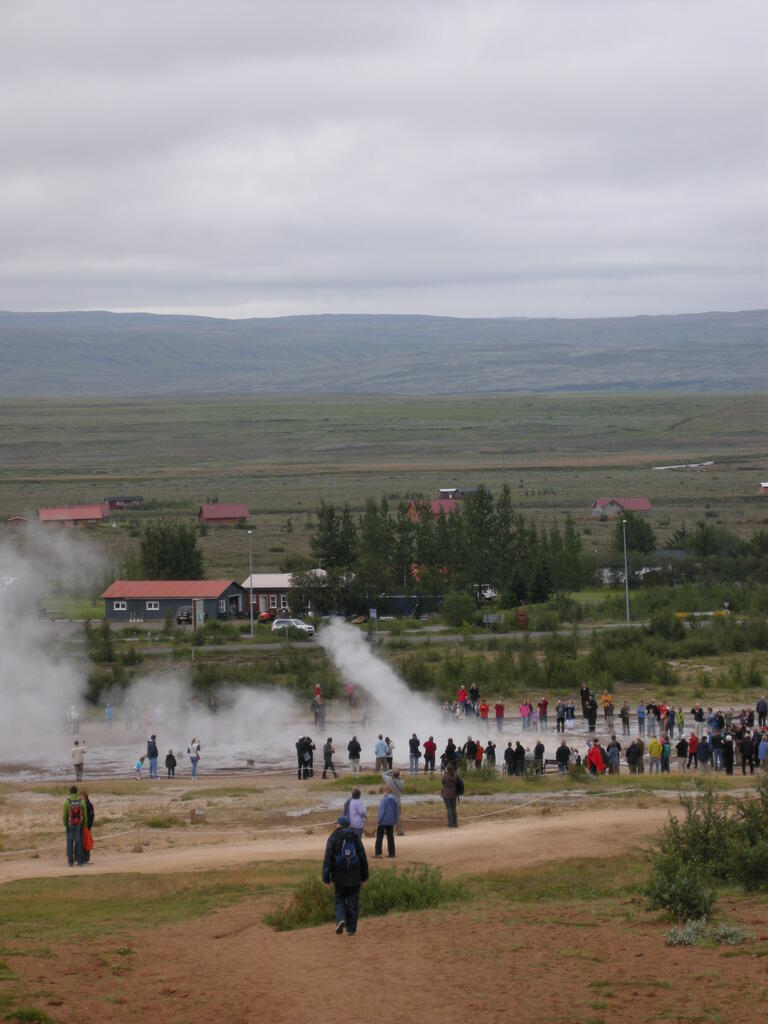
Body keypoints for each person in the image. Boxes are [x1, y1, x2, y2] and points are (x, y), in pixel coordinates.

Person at [322, 815, 369, 935]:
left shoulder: (333, 838)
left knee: (339, 899)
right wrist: (364, 877)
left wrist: (326, 878)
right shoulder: (355, 836)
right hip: (355, 876)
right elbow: (363, 857)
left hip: (339, 876)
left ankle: (341, 919)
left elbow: (327, 859)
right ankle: (351, 930)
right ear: (348, 825)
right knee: (353, 902)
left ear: (338, 825)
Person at [63, 785, 87, 867]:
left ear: (70, 792)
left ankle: (70, 862)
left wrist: (65, 824)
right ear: (77, 792)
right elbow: (85, 813)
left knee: (69, 843)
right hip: (79, 825)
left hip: (70, 824)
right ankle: (79, 862)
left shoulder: (67, 802)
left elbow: (64, 815)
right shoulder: (81, 801)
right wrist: (85, 824)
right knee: (79, 843)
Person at [374, 786, 399, 857]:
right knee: (390, 837)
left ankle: (378, 853)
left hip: (383, 821)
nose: (383, 793)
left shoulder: (384, 800)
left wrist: (379, 820)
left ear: (386, 791)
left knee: (379, 837)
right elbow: (397, 812)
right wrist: (395, 821)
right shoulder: (395, 800)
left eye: (384, 791)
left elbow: (382, 811)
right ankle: (392, 853)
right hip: (391, 822)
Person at [382, 767, 405, 835]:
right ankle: (399, 831)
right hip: (398, 800)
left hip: (390, 800)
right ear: (399, 774)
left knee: (388, 815)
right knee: (398, 816)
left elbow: (383, 774)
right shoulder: (402, 782)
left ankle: (387, 830)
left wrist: (390, 770)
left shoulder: (389, 779)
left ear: (393, 774)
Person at [441, 762, 462, 828]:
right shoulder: (455, 775)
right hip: (454, 794)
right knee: (454, 809)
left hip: (446, 795)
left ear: (447, 769)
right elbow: (458, 783)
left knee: (449, 809)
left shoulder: (445, 776)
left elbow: (442, 783)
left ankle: (450, 824)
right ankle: (455, 824)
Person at [81, 790, 95, 864]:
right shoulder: (90, 804)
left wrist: (86, 826)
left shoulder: (84, 804)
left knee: (84, 842)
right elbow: (92, 816)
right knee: (87, 842)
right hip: (88, 826)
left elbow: (88, 816)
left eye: (80, 796)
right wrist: (90, 826)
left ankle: (83, 858)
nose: (79, 797)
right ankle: (86, 858)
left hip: (84, 827)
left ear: (83, 796)